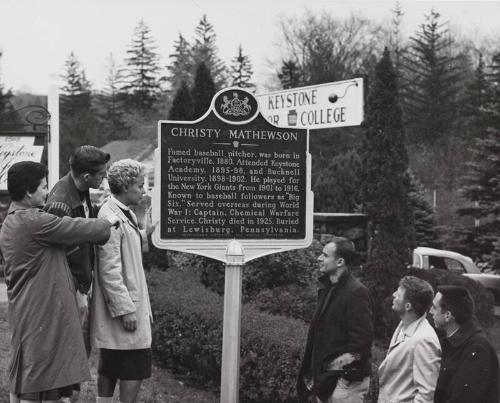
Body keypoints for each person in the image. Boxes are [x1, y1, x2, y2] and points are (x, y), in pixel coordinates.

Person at [0, 161, 118, 403]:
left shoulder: (16, 218)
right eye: (43, 187)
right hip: (38, 310)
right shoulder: (33, 221)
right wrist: (108, 222)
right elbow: (75, 228)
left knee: (38, 371)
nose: (47, 192)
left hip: (33, 308)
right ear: (28, 192)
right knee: (37, 373)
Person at [91, 159, 154, 403]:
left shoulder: (119, 211)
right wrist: (125, 309)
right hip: (126, 305)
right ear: (126, 187)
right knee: (132, 363)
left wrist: (144, 223)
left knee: (112, 360)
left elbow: (136, 244)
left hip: (126, 301)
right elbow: (109, 269)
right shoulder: (111, 218)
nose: (143, 190)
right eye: (140, 185)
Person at [44, 145, 110, 356]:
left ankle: (70, 388)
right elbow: (59, 250)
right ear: (86, 175)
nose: (105, 178)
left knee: (78, 345)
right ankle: (65, 390)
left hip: (79, 283)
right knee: (70, 347)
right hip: (70, 285)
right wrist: (79, 287)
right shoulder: (61, 203)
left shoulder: (80, 189)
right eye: (101, 174)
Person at [297, 237, 373, 403]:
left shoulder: (357, 292)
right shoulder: (329, 288)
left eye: (325, 255)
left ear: (339, 261)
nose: (319, 258)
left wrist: (338, 381)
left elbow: (360, 346)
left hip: (344, 385)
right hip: (327, 383)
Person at [378, 276, 441, 403]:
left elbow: (426, 394)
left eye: (399, 294)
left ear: (408, 306)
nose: (394, 295)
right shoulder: (403, 325)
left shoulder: (424, 340)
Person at [430, 286, 499, 403]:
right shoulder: (450, 342)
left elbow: (462, 398)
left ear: (447, 315)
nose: (430, 311)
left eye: (434, 307)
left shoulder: (477, 349)